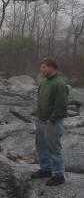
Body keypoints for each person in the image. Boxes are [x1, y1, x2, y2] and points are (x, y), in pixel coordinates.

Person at [31, 58, 69, 186]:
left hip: (53, 121)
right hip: (41, 119)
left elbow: (61, 105)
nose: (41, 70)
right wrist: (37, 116)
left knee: (54, 147)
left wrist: (52, 120)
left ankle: (59, 175)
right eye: (41, 67)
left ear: (52, 67)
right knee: (41, 145)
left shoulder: (60, 83)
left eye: (43, 67)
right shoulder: (43, 82)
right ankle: (46, 169)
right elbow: (40, 100)